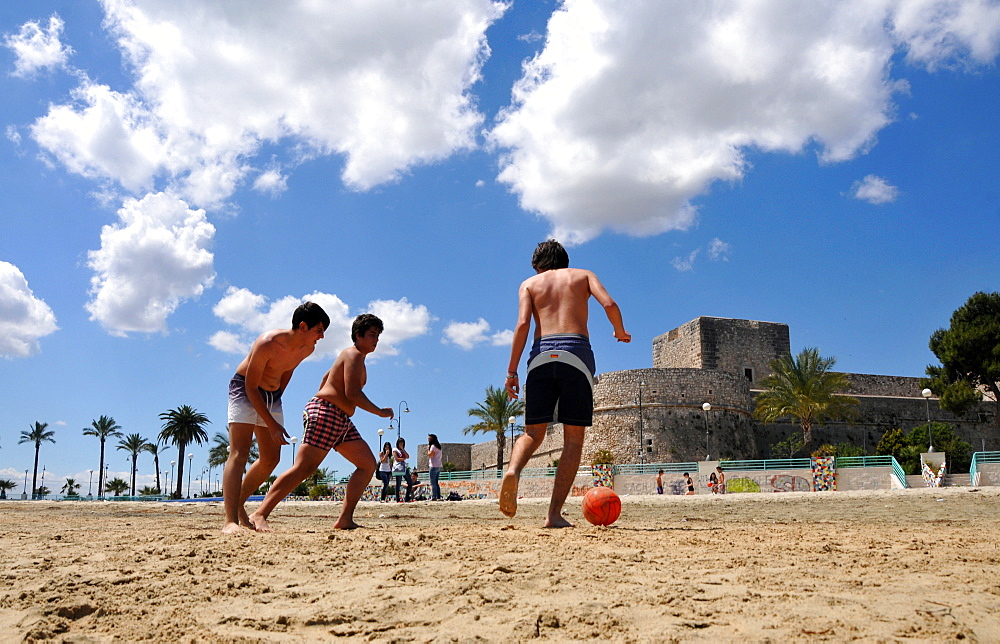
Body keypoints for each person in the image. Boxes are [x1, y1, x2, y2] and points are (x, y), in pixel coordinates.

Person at [500, 239, 631, 527]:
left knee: (533, 433)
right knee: (573, 439)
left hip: (540, 355)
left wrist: (511, 372)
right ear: (564, 260)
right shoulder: (584, 275)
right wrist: (619, 331)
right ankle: (554, 515)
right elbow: (609, 303)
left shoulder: (530, 284)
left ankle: (512, 471)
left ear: (539, 265)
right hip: (576, 354)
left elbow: (523, 325)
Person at [248, 314, 394, 531]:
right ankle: (259, 514)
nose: (376, 340)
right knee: (303, 468)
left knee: (367, 465)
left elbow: (326, 378)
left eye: (378, 335)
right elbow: (352, 393)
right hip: (326, 413)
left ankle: (345, 519)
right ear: (358, 335)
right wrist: (379, 412)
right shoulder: (352, 355)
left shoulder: (356, 359)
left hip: (341, 419)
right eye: (372, 334)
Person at [222, 301, 330, 534]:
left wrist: (276, 399)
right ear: (303, 326)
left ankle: (239, 503)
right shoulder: (267, 343)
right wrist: (271, 424)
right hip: (245, 389)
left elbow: (288, 370)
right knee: (239, 452)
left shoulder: (307, 349)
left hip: (272, 395)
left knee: (271, 459)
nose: (321, 337)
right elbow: (251, 387)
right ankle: (230, 521)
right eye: (318, 331)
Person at [392, 437, 413, 502]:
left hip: (404, 467)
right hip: (398, 468)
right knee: (398, 483)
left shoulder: (402, 450)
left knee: (410, 482)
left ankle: (407, 497)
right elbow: (397, 458)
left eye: (402, 443)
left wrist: (403, 449)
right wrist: (403, 459)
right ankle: (397, 498)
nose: (401, 444)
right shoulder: (395, 450)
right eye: (400, 443)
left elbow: (407, 456)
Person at [427, 434, 443, 501]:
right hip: (439, 465)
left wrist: (428, 449)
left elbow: (430, 455)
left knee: (433, 483)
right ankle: (438, 496)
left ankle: (434, 496)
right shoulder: (438, 447)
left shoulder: (433, 446)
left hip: (433, 466)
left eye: (429, 439)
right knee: (436, 482)